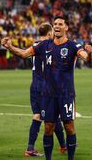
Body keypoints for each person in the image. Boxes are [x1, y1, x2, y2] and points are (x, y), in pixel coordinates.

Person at [2, 15, 92, 160]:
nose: (57, 26)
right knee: (48, 128)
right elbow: (24, 54)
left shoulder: (72, 46)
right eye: (55, 24)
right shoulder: (44, 45)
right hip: (48, 94)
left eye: (60, 24)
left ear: (66, 27)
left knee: (69, 127)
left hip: (66, 94)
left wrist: (89, 53)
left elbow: (85, 57)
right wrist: (10, 47)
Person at [23, 22, 67, 157]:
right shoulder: (49, 45)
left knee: (38, 115)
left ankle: (31, 147)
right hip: (45, 86)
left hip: (34, 84)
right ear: (49, 33)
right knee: (54, 115)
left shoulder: (34, 45)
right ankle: (64, 145)